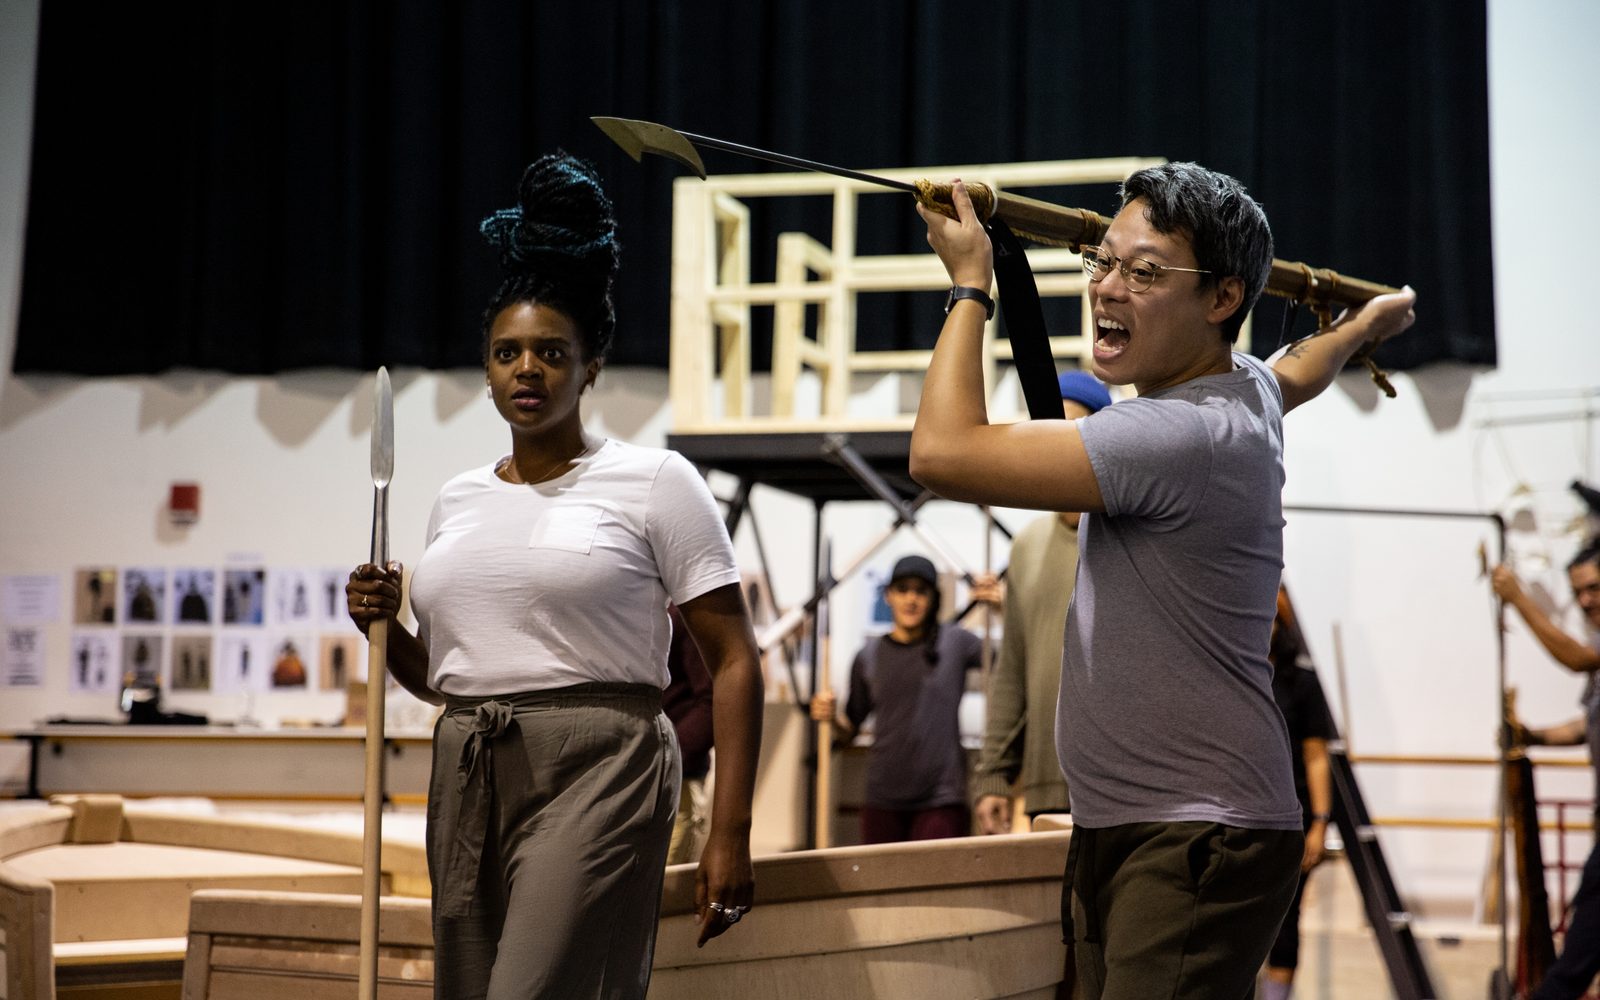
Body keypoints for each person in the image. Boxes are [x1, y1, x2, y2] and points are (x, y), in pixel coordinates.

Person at [910, 163, 1417, 998]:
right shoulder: (1244, 390)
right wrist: (1364, 324)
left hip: (1194, 831)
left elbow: (940, 452)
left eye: (1144, 272)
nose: (1108, 288)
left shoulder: (1175, 435)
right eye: (1102, 260)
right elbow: (1302, 364)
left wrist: (971, 284)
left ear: (1224, 298)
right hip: (1139, 822)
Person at [347, 152, 763, 1000]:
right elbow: (450, 677)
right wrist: (383, 629)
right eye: (507, 353)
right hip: (468, 762)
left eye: (550, 352)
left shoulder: (656, 482)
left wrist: (731, 832)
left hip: (600, 766)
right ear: (487, 370)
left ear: (590, 365)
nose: (527, 369)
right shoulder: (456, 500)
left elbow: (733, 661)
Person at [972, 370, 1112, 835]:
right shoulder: (1027, 545)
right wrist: (994, 772)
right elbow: (1013, 667)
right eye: (1049, 430)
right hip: (1046, 784)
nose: (1060, 444)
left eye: (1073, 430)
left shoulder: (1132, 535)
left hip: (1126, 785)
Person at [810, 554, 984, 843]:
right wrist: (830, 717)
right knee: (880, 874)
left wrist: (1000, 608)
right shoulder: (868, 656)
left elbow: (1009, 660)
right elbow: (849, 729)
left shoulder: (955, 643)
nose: (911, 599)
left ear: (933, 598)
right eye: (902, 589)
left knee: (939, 873)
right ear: (888, 595)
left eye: (920, 591)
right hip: (883, 799)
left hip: (940, 799)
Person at [1493, 544, 1600, 1000]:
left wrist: (1518, 598)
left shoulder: (1591, 653)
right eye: (1578, 593)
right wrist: (1532, 735)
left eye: (1594, 588)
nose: (1585, 601)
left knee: (1571, 967)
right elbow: (1586, 726)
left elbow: (1575, 658)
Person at [1263, 593, 1335, 1000]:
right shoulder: (1233, 678)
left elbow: (1316, 756)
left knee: (1286, 917)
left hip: (1292, 818)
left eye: (1273, 618)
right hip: (1242, 815)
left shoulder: (1302, 682)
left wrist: (1320, 824)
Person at [664, 603, 715, 866]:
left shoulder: (685, 613)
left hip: (677, 776)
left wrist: (670, 758)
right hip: (632, 773)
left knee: (669, 881)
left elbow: (713, 700)